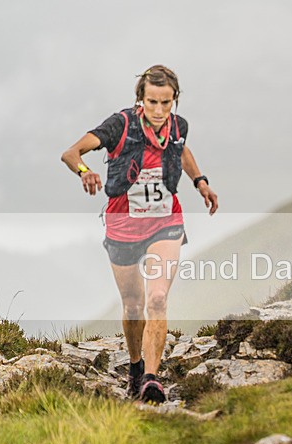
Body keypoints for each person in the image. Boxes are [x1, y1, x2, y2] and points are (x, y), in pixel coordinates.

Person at [61, 65, 218, 403]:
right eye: (152, 102)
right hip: (123, 226)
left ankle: (151, 378)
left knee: (157, 299)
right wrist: (85, 172)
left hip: (166, 222)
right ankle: (134, 367)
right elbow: (71, 153)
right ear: (140, 100)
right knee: (133, 305)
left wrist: (200, 181)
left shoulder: (178, 126)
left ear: (174, 99)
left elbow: (181, 149)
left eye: (166, 102)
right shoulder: (120, 125)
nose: (160, 111)